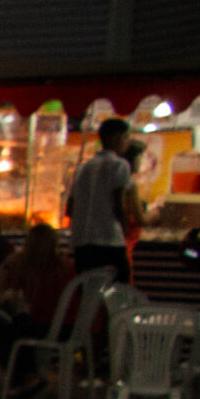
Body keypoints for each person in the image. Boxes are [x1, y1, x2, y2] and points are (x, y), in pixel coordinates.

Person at [0, 221, 75, 384]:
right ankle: (23, 373)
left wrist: (8, 263)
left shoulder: (26, 265)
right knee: (6, 325)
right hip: (71, 327)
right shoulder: (65, 265)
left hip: (44, 325)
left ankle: (21, 375)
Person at [65, 118, 139, 282]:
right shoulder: (120, 165)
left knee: (88, 294)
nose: (127, 143)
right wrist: (125, 229)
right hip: (109, 240)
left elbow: (70, 208)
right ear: (115, 138)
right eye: (126, 137)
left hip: (82, 243)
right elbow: (118, 203)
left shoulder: (82, 168)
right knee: (119, 291)